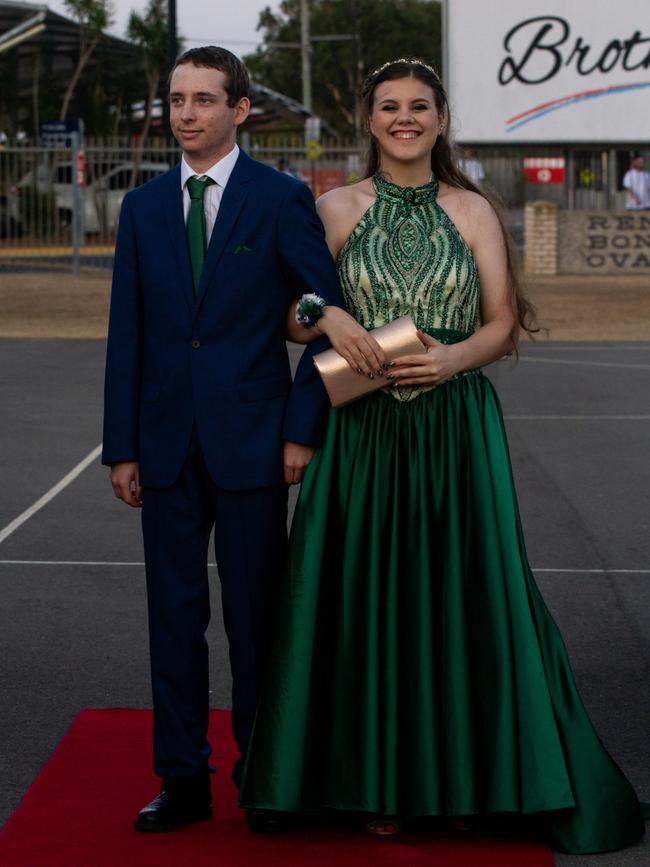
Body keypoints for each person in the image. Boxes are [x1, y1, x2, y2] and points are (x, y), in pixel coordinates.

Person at [239, 58, 647, 854]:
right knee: (360, 599)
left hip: (455, 428)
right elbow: (290, 315)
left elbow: (501, 319)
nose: (403, 119)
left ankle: (464, 779)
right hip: (358, 430)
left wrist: (455, 360)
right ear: (367, 119)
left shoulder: (474, 210)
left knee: (462, 595)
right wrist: (329, 319)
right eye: (388, 106)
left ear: (442, 118)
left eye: (418, 106)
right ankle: (372, 782)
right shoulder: (331, 207)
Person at [102, 45, 384, 834]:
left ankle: (266, 773)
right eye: (175, 100)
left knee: (258, 620)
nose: (184, 113)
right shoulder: (145, 210)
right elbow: (129, 334)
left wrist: (302, 431)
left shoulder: (281, 198)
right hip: (163, 446)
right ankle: (182, 776)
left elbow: (323, 315)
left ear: (240, 109)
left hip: (257, 442)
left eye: (201, 99)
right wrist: (121, 445)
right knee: (173, 616)